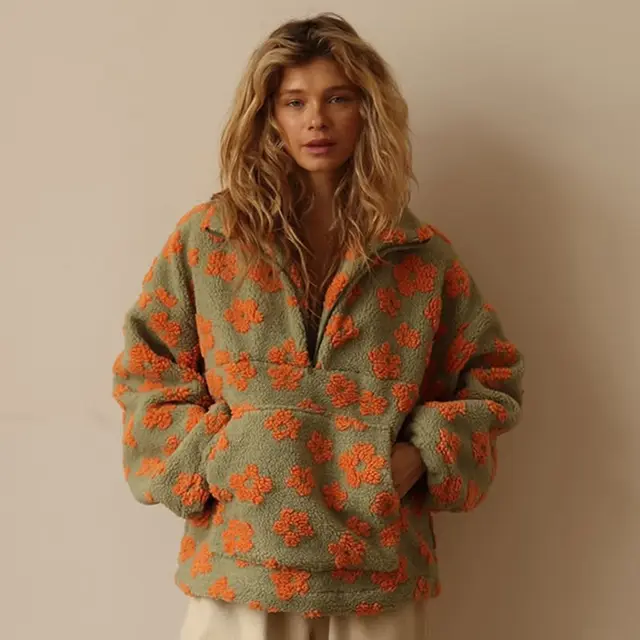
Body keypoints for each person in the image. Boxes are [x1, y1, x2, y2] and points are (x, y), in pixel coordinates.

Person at [112, 12, 524, 640]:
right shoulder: (208, 239)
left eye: (338, 98)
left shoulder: (419, 257)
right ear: (268, 116)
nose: (316, 121)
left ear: (368, 110)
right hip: (239, 565)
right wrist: (222, 458)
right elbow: (148, 370)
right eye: (294, 101)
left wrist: (417, 457)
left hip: (376, 574)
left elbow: (492, 378)